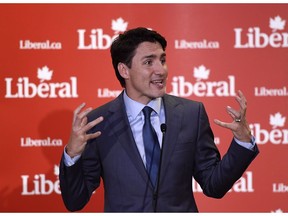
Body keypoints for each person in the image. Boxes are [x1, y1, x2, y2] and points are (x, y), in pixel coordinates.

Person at [59, 27, 259, 212]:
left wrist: (242, 142)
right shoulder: (98, 122)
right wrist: (72, 155)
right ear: (124, 70)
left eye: (162, 60)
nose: (161, 70)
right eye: (148, 62)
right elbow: (75, 201)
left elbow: (214, 185)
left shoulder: (191, 114)